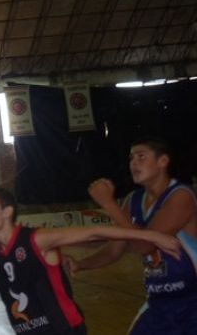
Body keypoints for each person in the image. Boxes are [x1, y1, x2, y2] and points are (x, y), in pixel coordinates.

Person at [0, 186, 181, 335]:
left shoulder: (37, 239)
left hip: (63, 330)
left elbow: (95, 231)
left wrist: (154, 236)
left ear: (7, 212)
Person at [65, 138, 197, 334]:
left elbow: (145, 246)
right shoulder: (133, 200)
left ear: (163, 161)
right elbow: (113, 250)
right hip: (158, 303)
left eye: (141, 156)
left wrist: (109, 205)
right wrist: (80, 264)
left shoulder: (181, 196)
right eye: (131, 158)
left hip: (192, 302)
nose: (134, 163)